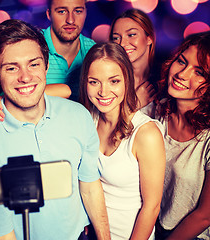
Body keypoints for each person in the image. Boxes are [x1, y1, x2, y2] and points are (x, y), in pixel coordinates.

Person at [0, 19, 110, 240]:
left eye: (33, 64)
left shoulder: (78, 116)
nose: (25, 77)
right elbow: (1, 234)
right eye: (12, 68)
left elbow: (89, 186)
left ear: (46, 65)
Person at [79, 42, 165, 239]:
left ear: (127, 80)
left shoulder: (146, 134)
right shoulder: (86, 119)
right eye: (94, 82)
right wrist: (0, 100)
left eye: (114, 81)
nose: (103, 91)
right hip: (94, 233)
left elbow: (151, 207)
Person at [150, 31, 210, 240]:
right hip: (151, 225)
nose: (182, 74)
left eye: (199, 72)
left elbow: (204, 216)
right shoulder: (155, 112)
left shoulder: (208, 139)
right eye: (182, 62)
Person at [44, 0, 96, 101]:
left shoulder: (93, 50)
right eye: (62, 11)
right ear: (49, 14)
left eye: (78, 11)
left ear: (86, 12)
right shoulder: (31, 46)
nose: (71, 20)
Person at [109, 8, 156, 108]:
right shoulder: (111, 81)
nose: (122, 43)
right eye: (116, 38)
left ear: (149, 38)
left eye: (131, 35)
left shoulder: (164, 78)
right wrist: (136, 104)